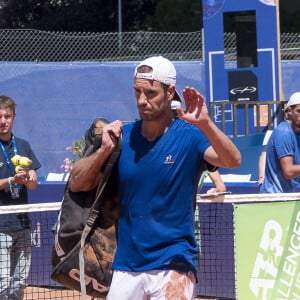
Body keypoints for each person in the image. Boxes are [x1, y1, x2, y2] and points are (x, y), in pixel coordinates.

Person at [69, 56, 241, 299]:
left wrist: (205, 123)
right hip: (126, 264)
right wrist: (104, 149)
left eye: (150, 93)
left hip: (175, 261)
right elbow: (77, 183)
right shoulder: (123, 138)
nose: (142, 100)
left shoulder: (191, 136)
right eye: (137, 92)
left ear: (170, 92)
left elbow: (233, 160)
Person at [0, 96, 41, 300]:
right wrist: (11, 179)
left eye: (7, 116)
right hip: (1, 227)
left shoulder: (23, 145)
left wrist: (29, 178)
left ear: (14, 117)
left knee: (19, 283)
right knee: (3, 283)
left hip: (23, 225)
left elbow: (33, 185)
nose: (3, 121)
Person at [260, 92, 300, 193]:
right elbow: (289, 171)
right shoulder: (284, 133)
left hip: (287, 196)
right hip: (274, 198)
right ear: (289, 111)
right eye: (299, 111)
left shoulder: (296, 133)